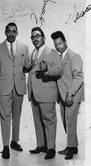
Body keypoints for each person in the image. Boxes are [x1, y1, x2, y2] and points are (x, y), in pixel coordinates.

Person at [0, 22, 29, 159]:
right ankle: (5, 146)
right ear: (5, 32)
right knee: (5, 116)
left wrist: (27, 67)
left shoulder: (25, 47)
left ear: (17, 32)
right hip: (5, 85)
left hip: (19, 86)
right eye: (9, 31)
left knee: (17, 115)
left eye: (14, 31)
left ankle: (14, 141)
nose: (11, 34)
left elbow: (25, 66)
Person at [26, 27, 62, 159]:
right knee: (37, 120)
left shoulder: (52, 53)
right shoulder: (32, 53)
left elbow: (59, 71)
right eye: (32, 37)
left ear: (44, 37)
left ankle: (51, 148)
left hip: (47, 92)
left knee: (49, 120)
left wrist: (47, 69)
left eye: (37, 36)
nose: (35, 39)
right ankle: (41, 145)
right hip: (34, 92)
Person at [51, 31, 84, 160]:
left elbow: (79, 77)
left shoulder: (74, 56)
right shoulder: (58, 57)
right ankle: (73, 146)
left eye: (60, 43)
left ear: (65, 42)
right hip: (63, 95)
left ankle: (70, 148)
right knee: (66, 121)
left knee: (70, 121)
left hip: (72, 94)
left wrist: (70, 93)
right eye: (55, 45)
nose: (58, 46)